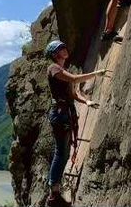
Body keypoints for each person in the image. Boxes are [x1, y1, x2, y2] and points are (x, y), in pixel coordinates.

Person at [45, 40, 107, 207]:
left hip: (64, 114)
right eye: (61, 48)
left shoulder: (63, 70)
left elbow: (73, 93)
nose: (65, 49)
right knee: (60, 153)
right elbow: (74, 79)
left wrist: (86, 102)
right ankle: (53, 194)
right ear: (55, 54)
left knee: (64, 153)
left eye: (64, 47)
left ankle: (55, 192)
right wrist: (96, 73)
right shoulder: (54, 69)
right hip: (59, 115)